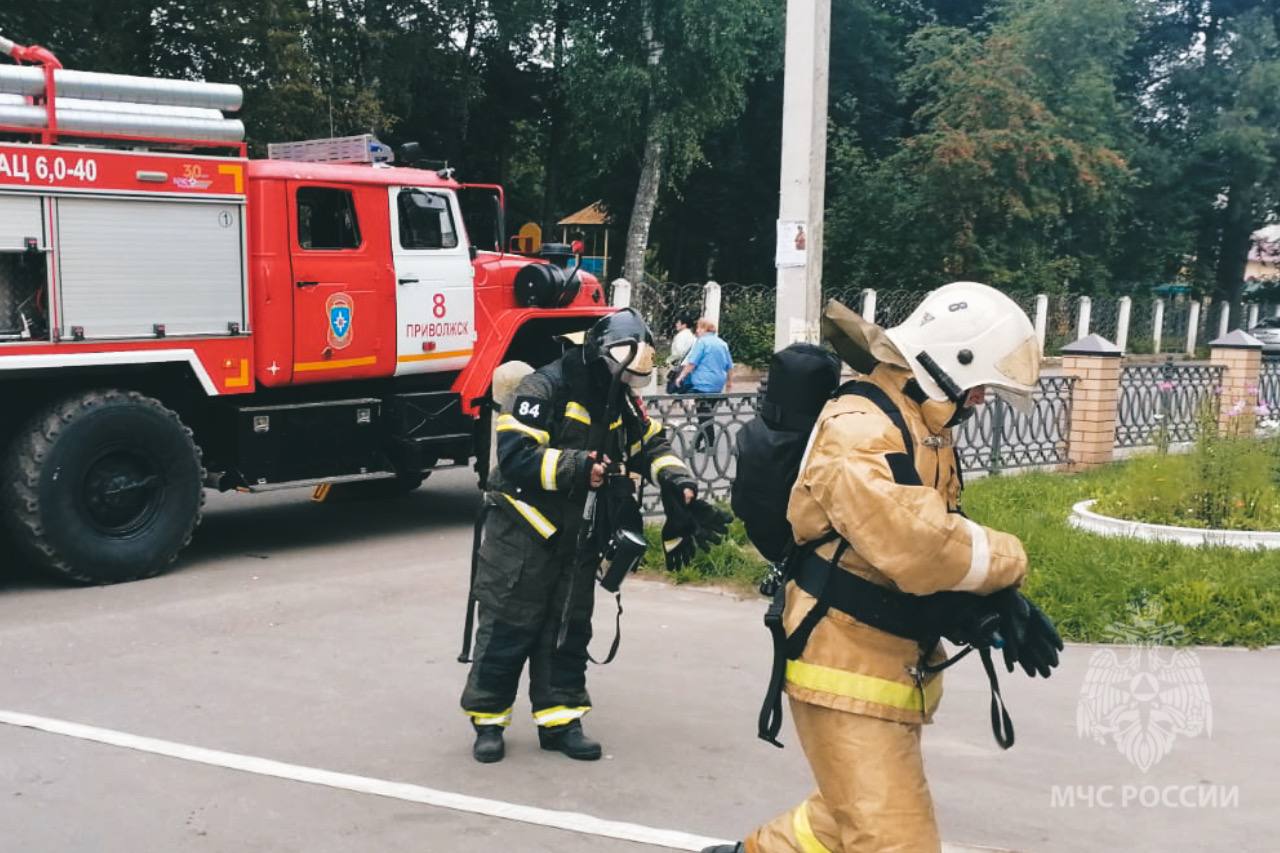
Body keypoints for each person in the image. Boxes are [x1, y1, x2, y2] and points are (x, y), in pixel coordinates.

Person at [704, 282, 1061, 853]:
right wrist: (1009, 564)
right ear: (950, 359)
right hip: (844, 668)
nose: (982, 400)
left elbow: (902, 546)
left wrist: (981, 607)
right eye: (981, 384)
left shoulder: (918, 422)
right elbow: (916, 544)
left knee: (837, 821)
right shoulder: (861, 427)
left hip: (884, 663)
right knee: (896, 840)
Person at [460, 308, 702, 764]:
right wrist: (577, 467)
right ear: (601, 356)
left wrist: (677, 480)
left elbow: (648, 442)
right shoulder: (543, 388)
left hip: (579, 535)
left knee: (568, 627)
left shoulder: (617, 398)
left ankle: (561, 720)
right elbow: (515, 456)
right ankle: (488, 722)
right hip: (524, 532)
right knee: (508, 627)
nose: (628, 383)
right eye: (624, 374)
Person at [675, 318, 733, 450]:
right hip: (717, 384)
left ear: (705, 329)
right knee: (707, 413)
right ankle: (696, 443)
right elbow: (729, 366)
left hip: (703, 384)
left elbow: (692, 363)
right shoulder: (722, 343)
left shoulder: (702, 343)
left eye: (699, 328)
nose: (697, 331)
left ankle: (710, 444)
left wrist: (681, 376)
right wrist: (729, 383)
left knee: (703, 415)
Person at [666, 313, 697, 393]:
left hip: (680, 367)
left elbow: (679, 353)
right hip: (689, 367)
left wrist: (669, 361)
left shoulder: (680, 336)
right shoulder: (693, 337)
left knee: (672, 391)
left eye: (678, 322)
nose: (676, 324)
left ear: (684, 325)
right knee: (685, 391)